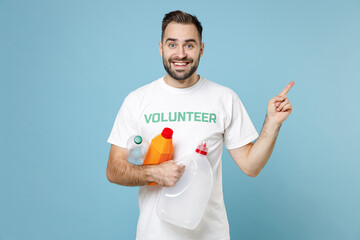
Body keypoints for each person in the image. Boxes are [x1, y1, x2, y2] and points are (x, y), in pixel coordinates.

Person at [106, 10, 294, 240]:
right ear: (160, 48)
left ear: (201, 49)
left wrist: (272, 123)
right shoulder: (137, 101)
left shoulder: (224, 98)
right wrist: (153, 173)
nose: (181, 54)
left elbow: (251, 166)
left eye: (189, 45)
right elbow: (114, 170)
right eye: (172, 44)